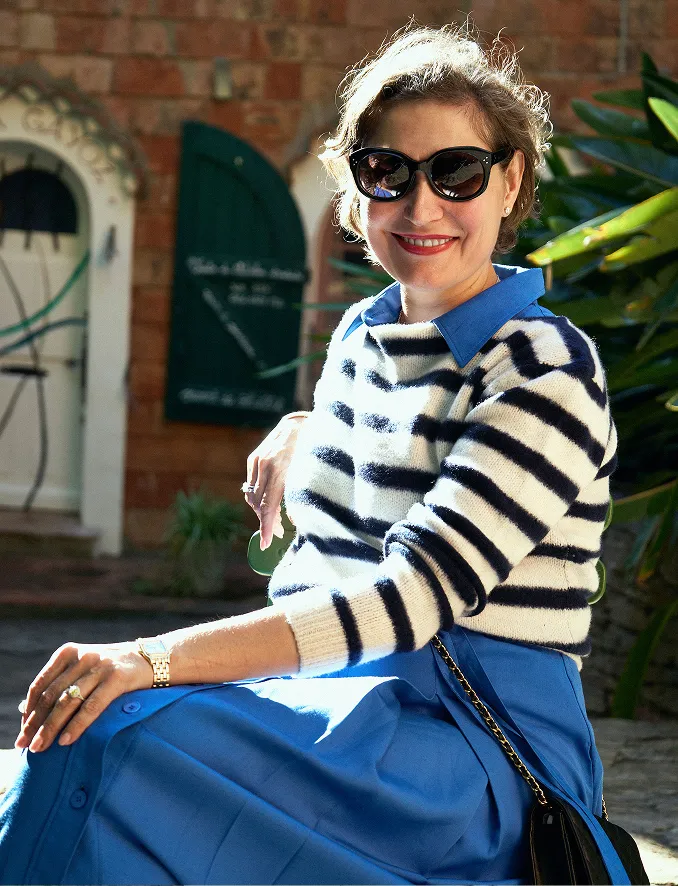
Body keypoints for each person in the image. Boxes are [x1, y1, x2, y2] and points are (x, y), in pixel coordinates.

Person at [0, 24, 618, 885]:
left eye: (457, 172)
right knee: (81, 745)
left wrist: (151, 656)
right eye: (387, 171)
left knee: (104, 734)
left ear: (510, 181)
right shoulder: (364, 336)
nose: (422, 206)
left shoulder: (544, 370)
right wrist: (309, 424)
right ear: (356, 187)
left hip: (472, 750)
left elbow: (408, 600)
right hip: (333, 703)